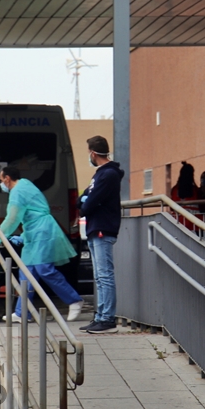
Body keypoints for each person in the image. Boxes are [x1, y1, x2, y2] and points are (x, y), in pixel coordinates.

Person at [0, 166, 83, 322]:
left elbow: (12, 218)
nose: (1, 184)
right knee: (26, 273)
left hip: (41, 232)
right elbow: (31, 212)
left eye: (1, 179)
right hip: (35, 232)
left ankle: (74, 300)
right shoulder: (25, 185)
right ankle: (22, 312)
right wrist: (23, 236)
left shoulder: (17, 192)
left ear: (7, 178)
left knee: (44, 269)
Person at [78, 136, 123, 335]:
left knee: (105, 275)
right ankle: (100, 315)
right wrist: (85, 202)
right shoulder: (99, 175)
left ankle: (107, 319)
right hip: (96, 228)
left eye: (89, 153)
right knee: (99, 275)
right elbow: (83, 199)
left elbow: (88, 203)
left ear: (94, 153)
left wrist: (86, 203)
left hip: (103, 226)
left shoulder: (109, 174)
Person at [170, 161, 200, 228]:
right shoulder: (196, 190)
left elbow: (171, 208)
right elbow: (202, 207)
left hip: (178, 223)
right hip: (194, 224)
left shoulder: (174, 190)